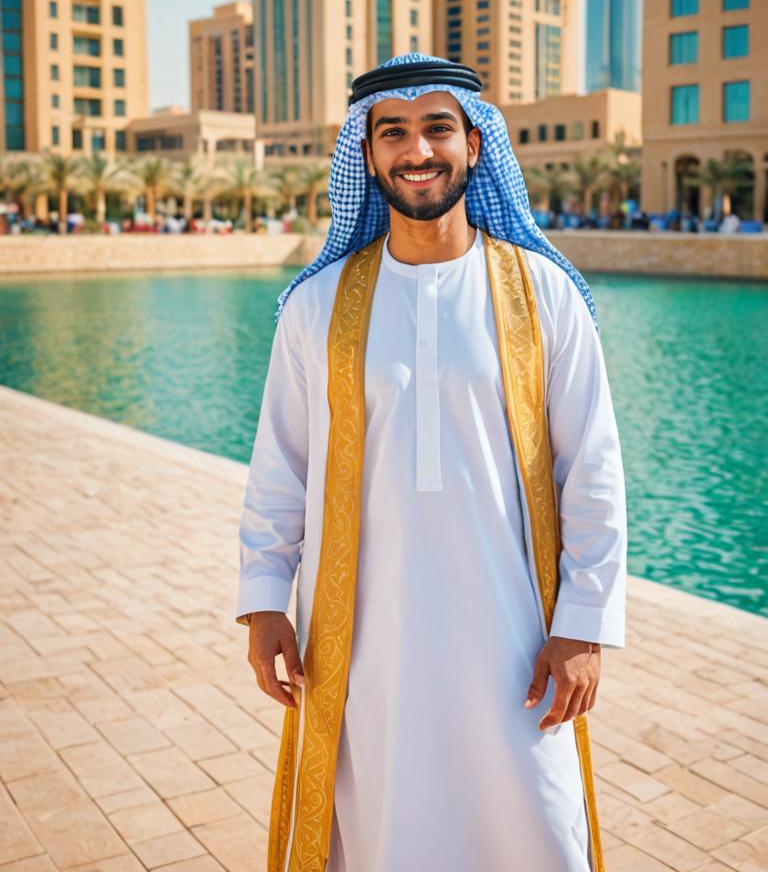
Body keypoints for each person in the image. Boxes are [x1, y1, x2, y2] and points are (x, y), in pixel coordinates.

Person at [236, 54, 627, 872]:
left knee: (542, 831)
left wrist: (584, 625)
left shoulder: (543, 293)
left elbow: (590, 467)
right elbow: (281, 466)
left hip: (516, 641)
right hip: (367, 646)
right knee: (381, 833)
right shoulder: (317, 305)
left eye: (438, 128)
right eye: (394, 133)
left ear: (476, 145)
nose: (419, 150)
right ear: (368, 154)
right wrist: (265, 599)